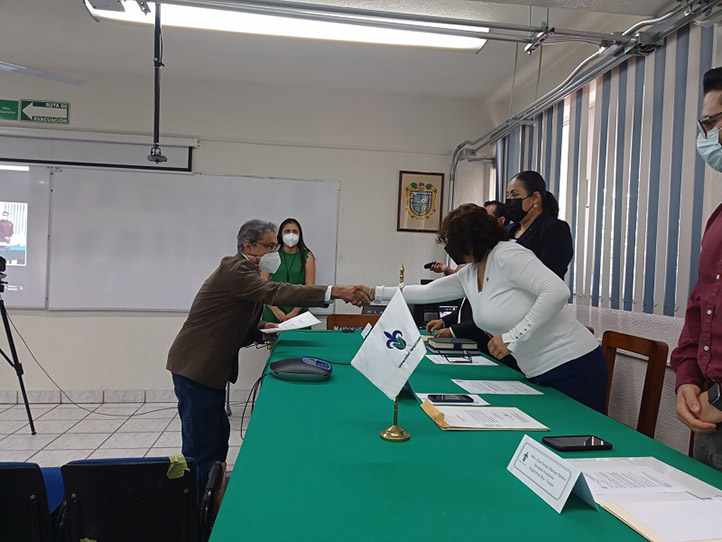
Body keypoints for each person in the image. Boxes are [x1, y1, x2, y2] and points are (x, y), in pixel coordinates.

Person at [166, 219, 369, 484]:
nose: (276, 251)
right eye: (270, 246)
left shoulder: (245, 273)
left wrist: (263, 326)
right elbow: (276, 291)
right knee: (201, 445)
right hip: (195, 367)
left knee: (217, 436)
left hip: (209, 370)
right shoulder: (234, 268)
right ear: (248, 245)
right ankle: (196, 507)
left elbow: (236, 318)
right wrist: (336, 291)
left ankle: (213, 493)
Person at [370, 204, 607, 413]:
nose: (450, 250)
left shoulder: (507, 254)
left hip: (573, 365)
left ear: (471, 240)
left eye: (452, 243)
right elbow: (425, 292)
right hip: (537, 370)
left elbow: (557, 292)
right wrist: (373, 293)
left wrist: (513, 337)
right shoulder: (472, 271)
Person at [671, 67, 722, 470]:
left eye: (714, 121)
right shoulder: (718, 218)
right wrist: (687, 376)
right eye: (705, 122)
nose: (708, 134)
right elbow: (700, 305)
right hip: (709, 408)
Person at [262, 218, 316, 323]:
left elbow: (309, 288)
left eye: (295, 232)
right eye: (287, 231)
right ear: (281, 235)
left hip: (299, 313)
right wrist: (276, 310)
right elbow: (263, 287)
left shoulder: (307, 257)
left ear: (300, 235)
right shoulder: (270, 255)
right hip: (273, 312)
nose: (291, 235)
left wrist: (294, 313)